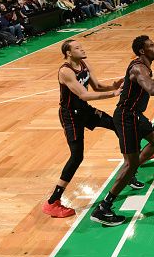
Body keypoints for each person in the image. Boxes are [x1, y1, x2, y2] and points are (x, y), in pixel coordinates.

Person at [90, 35, 154, 226]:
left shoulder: (144, 67)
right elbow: (151, 89)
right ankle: (103, 208)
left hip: (136, 115)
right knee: (130, 163)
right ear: (141, 51)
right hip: (126, 117)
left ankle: (131, 171)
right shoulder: (138, 67)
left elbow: (151, 83)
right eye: (151, 46)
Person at [42, 40, 122, 218]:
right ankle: (52, 202)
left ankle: (132, 165)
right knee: (77, 156)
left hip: (84, 110)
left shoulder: (84, 63)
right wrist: (113, 94)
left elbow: (98, 87)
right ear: (68, 53)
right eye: (77, 48)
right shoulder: (65, 71)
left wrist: (114, 86)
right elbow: (84, 94)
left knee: (116, 124)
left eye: (81, 46)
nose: (82, 49)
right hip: (71, 116)